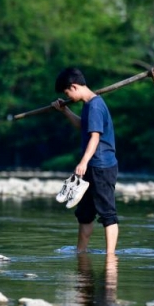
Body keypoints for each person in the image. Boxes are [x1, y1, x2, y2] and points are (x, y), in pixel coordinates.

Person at [52, 67, 119, 254]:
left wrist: (82, 162)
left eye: (66, 93)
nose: (67, 96)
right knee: (85, 214)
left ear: (74, 87)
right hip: (92, 165)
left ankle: (110, 257)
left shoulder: (96, 105)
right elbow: (83, 126)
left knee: (107, 214)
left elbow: (95, 137)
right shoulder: (88, 104)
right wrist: (65, 111)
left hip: (102, 166)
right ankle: (80, 252)